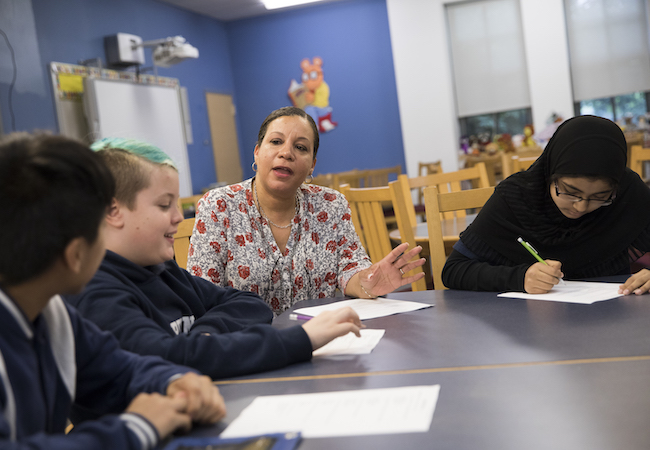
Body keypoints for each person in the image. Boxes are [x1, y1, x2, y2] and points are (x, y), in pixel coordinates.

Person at [65, 137, 363, 380]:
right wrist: (300, 340)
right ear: (112, 211)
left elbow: (249, 304)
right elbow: (170, 359)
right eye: (164, 205)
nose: (178, 217)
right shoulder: (94, 294)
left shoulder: (163, 271)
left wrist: (204, 335)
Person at [0, 133, 225, 449]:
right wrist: (136, 427)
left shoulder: (50, 312)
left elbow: (119, 368)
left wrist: (173, 380)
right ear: (76, 255)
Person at [188, 106, 425, 314]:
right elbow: (202, 294)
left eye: (300, 147)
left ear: (312, 165)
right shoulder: (218, 206)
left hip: (321, 340)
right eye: (276, 141)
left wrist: (367, 282)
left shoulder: (331, 205)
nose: (286, 153)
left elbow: (350, 268)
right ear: (257, 153)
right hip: (249, 344)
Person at [441, 115, 650, 294]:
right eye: (570, 192)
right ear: (550, 173)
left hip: (614, 319)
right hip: (527, 325)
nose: (580, 207)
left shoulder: (629, 193)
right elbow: (453, 270)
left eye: (600, 197)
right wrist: (519, 278)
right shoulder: (516, 197)